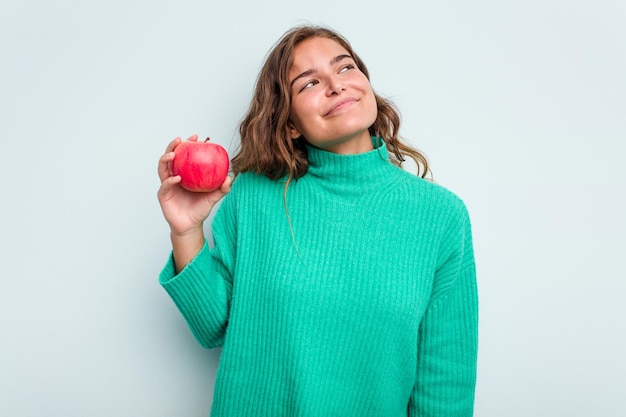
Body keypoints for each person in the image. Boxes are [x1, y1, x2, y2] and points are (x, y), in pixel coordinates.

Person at [157, 24, 478, 417]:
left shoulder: (442, 217)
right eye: (308, 83)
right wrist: (186, 230)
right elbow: (215, 328)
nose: (336, 85)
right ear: (290, 123)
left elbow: (444, 384)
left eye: (344, 68)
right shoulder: (254, 195)